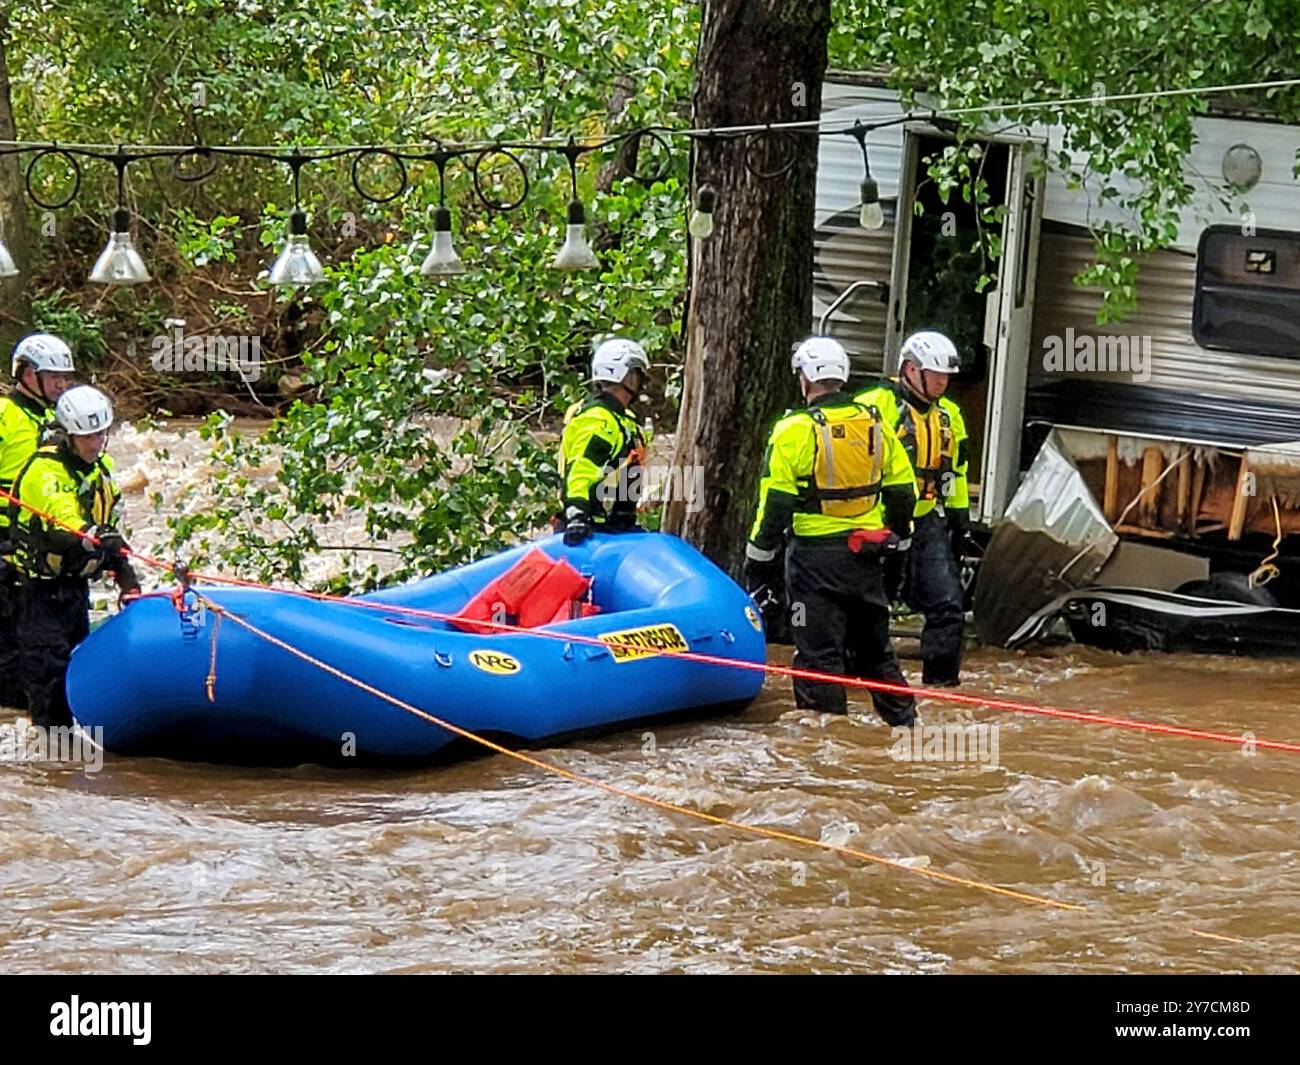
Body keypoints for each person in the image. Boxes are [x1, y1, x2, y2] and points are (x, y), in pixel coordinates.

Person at [743, 336, 917, 726]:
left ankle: (826, 741)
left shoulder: (794, 429)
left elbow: (776, 502)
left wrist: (758, 555)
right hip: (867, 558)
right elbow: (904, 492)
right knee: (876, 653)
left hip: (813, 564)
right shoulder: (875, 423)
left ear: (805, 379)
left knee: (817, 655)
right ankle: (906, 725)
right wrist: (899, 537)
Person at [9, 385, 140, 727]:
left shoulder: (101, 471)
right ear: (68, 435)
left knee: (75, 673)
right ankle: (48, 770)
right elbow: (64, 524)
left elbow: (111, 532)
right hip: (38, 595)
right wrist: (93, 538)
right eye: (86, 437)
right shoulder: (44, 471)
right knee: (48, 681)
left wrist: (127, 579)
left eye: (100, 435)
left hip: (75, 592)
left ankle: (76, 765)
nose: (94, 444)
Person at [855, 330, 973, 687]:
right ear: (909, 370)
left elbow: (954, 473)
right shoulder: (872, 406)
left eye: (946, 377)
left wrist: (959, 522)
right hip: (876, 523)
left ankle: (941, 690)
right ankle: (858, 686)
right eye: (936, 375)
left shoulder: (949, 417)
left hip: (924, 522)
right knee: (867, 609)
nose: (942, 383)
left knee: (949, 607)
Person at [0, 334, 77, 707]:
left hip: (37, 551)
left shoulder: (59, 420)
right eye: (54, 377)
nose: (62, 385)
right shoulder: (4, 414)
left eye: (65, 378)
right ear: (28, 374)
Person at [557, 338, 650, 546]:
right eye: (636, 374)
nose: (640, 382)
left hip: (612, 531)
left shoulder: (624, 421)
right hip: (587, 532)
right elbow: (583, 468)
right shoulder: (599, 420)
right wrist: (577, 514)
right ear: (624, 375)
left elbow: (628, 475)